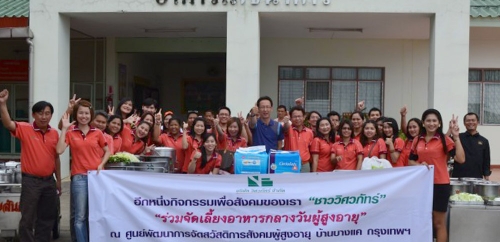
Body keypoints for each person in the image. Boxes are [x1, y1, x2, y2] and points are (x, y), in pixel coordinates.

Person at [0, 89, 60, 242]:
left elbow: (56, 158)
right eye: (40, 113)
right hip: (31, 182)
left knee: (47, 218)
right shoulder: (26, 129)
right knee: (27, 218)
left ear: (51, 115)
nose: (44, 116)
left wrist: (58, 180)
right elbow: (8, 123)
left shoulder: (54, 134)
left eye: (47, 113)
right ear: (33, 115)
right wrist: (3, 104)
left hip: (49, 181)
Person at [56, 99, 110, 242]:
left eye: (86, 113)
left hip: (96, 177)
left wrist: (101, 164)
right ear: (76, 114)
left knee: (95, 214)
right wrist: (64, 129)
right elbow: (59, 150)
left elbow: (107, 151)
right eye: (80, 113)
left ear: (91, 115)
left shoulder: (97, 132)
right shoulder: (70, 132)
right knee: (79, 216)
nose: (84, 116)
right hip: (79, 177)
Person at [408, 109, 465, 242]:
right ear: (423, 123)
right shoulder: (417, 140)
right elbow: (410, 160)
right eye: (428, 120)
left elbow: (461, 159)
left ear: (439, 123)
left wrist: (456, 138)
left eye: (434, 120)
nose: (431, 123)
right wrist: (419, 165)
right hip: (422, 185)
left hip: (440, 185)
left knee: (438, 223)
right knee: (422, 220)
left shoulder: (445, 140)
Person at [452, 112, 491, 179]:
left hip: (477, 177)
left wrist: (486, 175)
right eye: (468, 120)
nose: (470, 122)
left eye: (473, 120)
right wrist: (451, 129)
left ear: (477, 122)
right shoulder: (457, 138)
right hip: (459, 177)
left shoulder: (484, 141)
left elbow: (486, 160)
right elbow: (445, 142)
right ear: (464, 123)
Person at [283, 106, 313, 173]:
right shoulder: (289, 129)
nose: (297, 118)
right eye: (295, 116)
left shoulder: (309, 132)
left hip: (304, 164)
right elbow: (285, 127)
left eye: (299, 116)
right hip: (289, 163)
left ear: (304, 117)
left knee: (305, 183)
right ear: (291, 117)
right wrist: (286, 122)